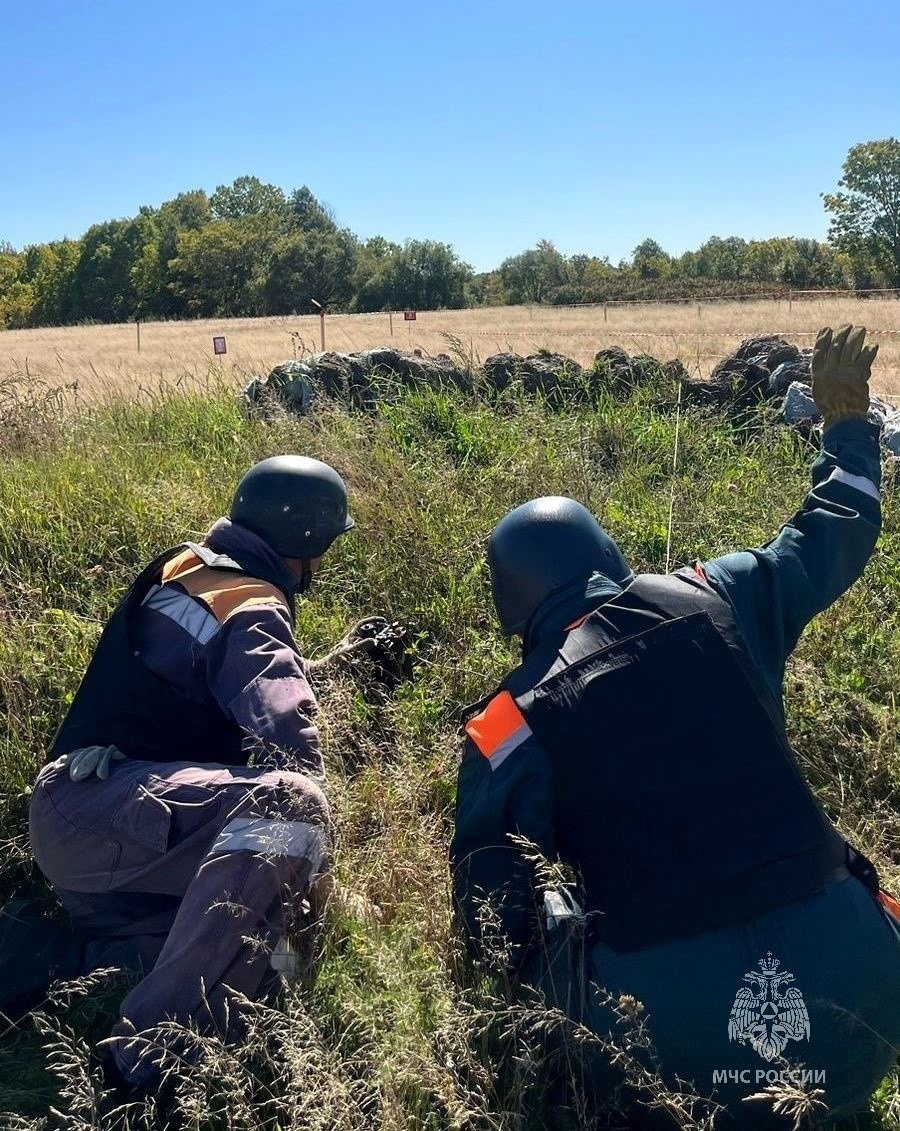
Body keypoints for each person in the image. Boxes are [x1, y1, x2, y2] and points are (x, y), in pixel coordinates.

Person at [451, 326, 900, 1127]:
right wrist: (846, 431)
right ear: (608, 552)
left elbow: (492, 915)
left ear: (511, 607)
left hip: (682, 1045)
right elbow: (835, 528)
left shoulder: (504, 720)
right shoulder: (722, 594)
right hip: (867, 994)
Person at [28, 454, 394, 1091]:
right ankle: (149, 1060)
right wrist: (323, 864)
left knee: (253, 919)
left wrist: (335, 665)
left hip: (96, 821)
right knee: (292, 814)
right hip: (110, 819)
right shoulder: (251, 601)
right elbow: (289, 736)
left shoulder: (192, 569)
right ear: (304, 544)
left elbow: (209, 692)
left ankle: (103, 966)